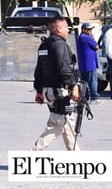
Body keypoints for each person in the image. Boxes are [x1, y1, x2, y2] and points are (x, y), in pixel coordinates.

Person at [32, 17, 80, 151]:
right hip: (60, 90)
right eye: (66, 28)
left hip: (49, 91)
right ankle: (35, 153)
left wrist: (39, 91)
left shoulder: (44, 45)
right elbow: (63, 68)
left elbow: (39, 70)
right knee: (57, 124)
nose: (68, 30)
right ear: (58, 28)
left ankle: (77, 157)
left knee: (67, 123)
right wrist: (73, 86)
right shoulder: (59, 44)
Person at [77, 22, 103, 105]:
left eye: (91, 29)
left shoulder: (80, 37)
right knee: (93, 81)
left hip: (83, 64)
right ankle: (94, 97)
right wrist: (93, 38)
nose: (90, 31)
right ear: (84, 30)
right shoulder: (87, 38)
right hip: (90, 63)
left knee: (84, 82)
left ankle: (84, 97)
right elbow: (96, 46)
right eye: (88, 29)